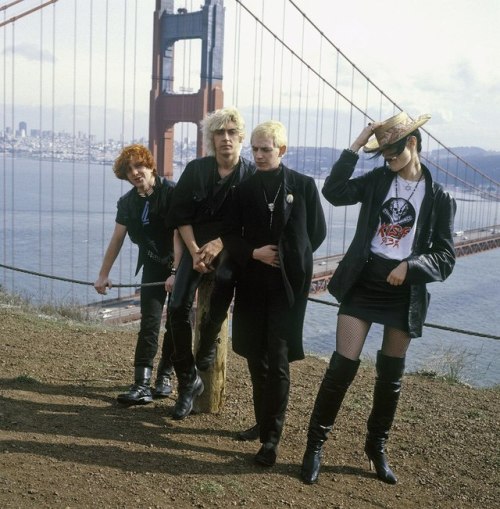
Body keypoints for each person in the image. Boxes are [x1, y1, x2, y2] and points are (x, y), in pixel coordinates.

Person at [300, 112, 457, 485]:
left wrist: (412, 265)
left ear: (413, 143)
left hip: (404, 292)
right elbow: (334, 192)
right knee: (342, 365)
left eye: (393, 153)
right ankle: (314, 446)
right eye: (383, 154)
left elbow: (446, 256)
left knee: (390, 377)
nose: (388, 160)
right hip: (364, 282)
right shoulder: (376, 180)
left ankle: (376, 446)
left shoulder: (440, 196)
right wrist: (356, 145)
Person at [222, 120, 326, 466]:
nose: (259, 155)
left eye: (266, 149)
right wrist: (255, 253)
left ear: (282, 150)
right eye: (254, 148)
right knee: (256, 359)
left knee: (278, 361)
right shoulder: (244, 189)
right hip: (251, 284)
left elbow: (317, 232)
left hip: (285, 288)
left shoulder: (304, 186)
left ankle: (271, 439)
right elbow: (230, 236)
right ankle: (263, 422)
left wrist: (290, 257)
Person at [166, 107, 256, 420]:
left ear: (241, 138)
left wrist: (220, 244)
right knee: (176, 307)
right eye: (219, 133)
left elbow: (251, 225)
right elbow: (180, 215)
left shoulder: (252, 175)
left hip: (228, 247)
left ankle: (205, 346)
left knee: (227, 276)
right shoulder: (196, 170)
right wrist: (193, 251)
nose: (226, 139)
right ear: (211, 139)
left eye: (232, 132)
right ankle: (188, 381)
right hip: (195, 247)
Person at [94, 144, 182, 405]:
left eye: (139, 165)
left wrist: (177, 271)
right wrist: (103, 275)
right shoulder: (128, 203)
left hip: (180, 265)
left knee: (178, 324)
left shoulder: (173, 192)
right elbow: (117, 238)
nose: (135, 172)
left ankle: (165, 375)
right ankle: (141, 384)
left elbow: (182, 233)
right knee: (150, 324)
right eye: (129, 169)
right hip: (154, 266)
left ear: (150, 165)